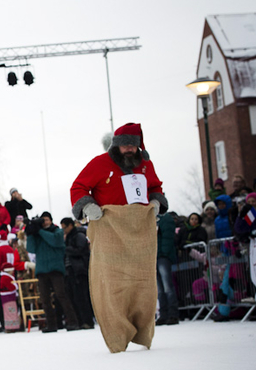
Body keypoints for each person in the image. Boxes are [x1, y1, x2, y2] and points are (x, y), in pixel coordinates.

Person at [70, 122, 168, 353]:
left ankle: (143, 329)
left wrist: (156, 202)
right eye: (122, 145)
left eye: (131, 146)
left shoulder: (145, 164)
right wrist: (88, 207)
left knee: (144, 284)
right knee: (112, 285)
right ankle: (116, 334)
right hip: (110, 230)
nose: (127, 149)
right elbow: (78, 187)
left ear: (138, 146)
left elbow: (156, 187)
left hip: (139, 232)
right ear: (115, 145)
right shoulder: (100, 163)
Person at [25, 213, 79, 332]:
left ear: (51, 220)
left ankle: (73, 321)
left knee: (61, 295)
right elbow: (31, 249)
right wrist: (29, 233)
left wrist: (39, 231)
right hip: (42, 270)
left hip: (56, 269)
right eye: (42, 220)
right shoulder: (37, 234)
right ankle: (51, 324)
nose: (44, 222)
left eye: (46, 220)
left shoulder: (57, 232)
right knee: (45, 299)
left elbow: (55, 242)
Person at [61, 217, 94, 329]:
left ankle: (87, 321)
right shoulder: (68, 238)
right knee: (74, 297)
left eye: (64, 227)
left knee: (82, 297)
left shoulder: (79, 236)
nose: (63, 230)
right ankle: (80, 321)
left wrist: (66, 249)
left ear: (70, 225)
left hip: (79, 270)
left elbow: (81, 250)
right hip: (71, 271)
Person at [156, 213, 179, 326]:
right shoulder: (152, 218)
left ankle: (173, 314)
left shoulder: (165, 218)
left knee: (167, 287)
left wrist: (164, 253)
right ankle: (163, 314)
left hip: (163, 256)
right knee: (159, 289)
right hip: (154, 256)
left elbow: (168, 236)